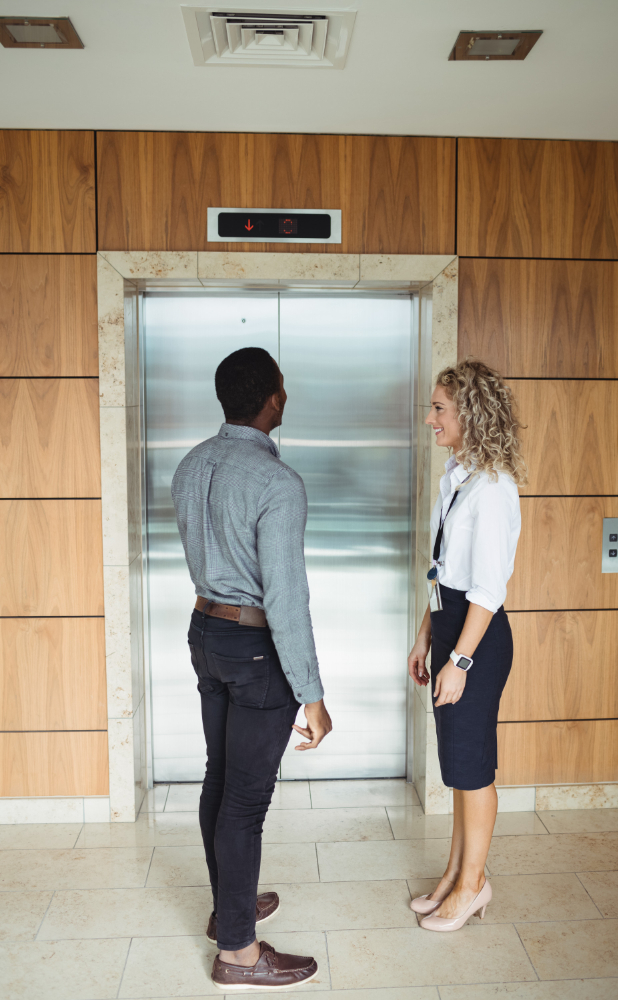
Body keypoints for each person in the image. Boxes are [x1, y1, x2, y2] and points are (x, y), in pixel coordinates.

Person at [171, 347, 332, 991]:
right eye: (283, 391)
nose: (284, 399)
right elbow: (285, 599)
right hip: (256, 647)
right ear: (271, 399)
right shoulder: (276, 482)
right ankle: (238, 952)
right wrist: (312, 694)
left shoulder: (190, 465)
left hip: (206, 632)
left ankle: (227, 910)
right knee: (245, 799)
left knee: (222, 778)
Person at [407, 358, 526, 932]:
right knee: (457, 767)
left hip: (476, 637)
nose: (430, 418)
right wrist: (425, 636)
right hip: (449, 625)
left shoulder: (495, 488)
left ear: (470, 414)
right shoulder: (457, 476)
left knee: (474, 768)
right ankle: (455, 875)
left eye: (439, 408)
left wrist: (458, 660)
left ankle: (474, 887)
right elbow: (440, 573)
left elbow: (486, 589)